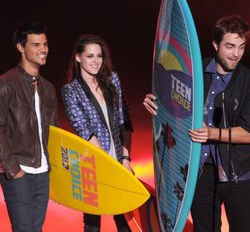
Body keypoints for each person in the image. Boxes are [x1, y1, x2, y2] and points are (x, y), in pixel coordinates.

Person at [143, 15, 250, 232]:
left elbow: (249, 133)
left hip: (238, 175)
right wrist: (154, 104)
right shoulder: (192, 73)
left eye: (241, 47)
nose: (236, 54)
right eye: (230, 46)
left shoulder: (247, 81)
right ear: (215, 44)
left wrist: (212, 133)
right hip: (198, 172)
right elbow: (169, 103)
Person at [61, 34, 133, 232]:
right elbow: (84, 130)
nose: (96, 61)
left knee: (124, 220)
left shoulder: (112, 80)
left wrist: (125, 159)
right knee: (92, 224)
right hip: (92, 163)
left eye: (99, 56)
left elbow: (124, 121)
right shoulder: (71, 91)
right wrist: (108, 167)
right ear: (78, 57)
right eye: (90, 56)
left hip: (118, 159)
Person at [0, 21, 58, 232]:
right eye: (36, 44)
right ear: (20, 47)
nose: (43, 49)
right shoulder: (5, 83)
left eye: (45, 44)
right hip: (19, 171)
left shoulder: (49, 89)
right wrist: (13, 169)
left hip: (43, 172)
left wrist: (56, 175)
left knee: (36, 228)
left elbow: (54, 134)